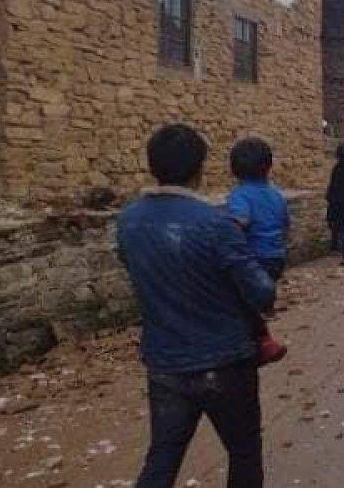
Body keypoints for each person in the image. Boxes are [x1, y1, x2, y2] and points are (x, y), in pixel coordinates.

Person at [117, 123, 275, 488]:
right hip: (226, 360)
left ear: (152, 166)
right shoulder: (215, 224)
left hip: (165, 362)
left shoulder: (128, 222)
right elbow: (262, 292)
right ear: (199, 170)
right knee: (244, 452)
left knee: (162, 457)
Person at [226, 137, 289, 365]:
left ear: (233, 170)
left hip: (253, 259)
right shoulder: (276, 195)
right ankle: (261, 336)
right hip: (275, 257)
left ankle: (261, 342)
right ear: (269, 166)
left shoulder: (240, 195)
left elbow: (239, 222)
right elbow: (285, 225)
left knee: (237, 300)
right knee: (249, 303)